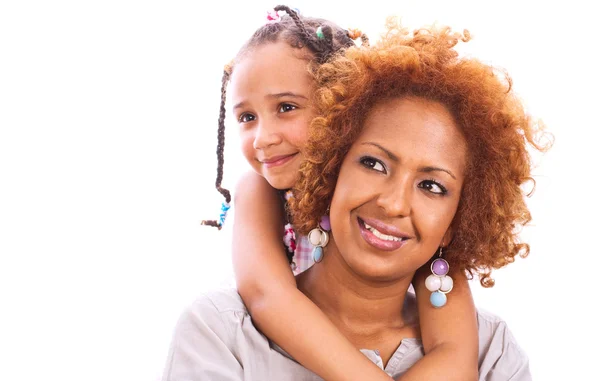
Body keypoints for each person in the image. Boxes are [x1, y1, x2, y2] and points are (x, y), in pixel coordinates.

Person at [162, 17, 549, 380]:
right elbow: (268, 295)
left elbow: (456, 353)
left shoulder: (492, 350)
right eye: (373, 163)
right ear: (333, 160)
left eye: (432, 186)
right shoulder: (221, 331)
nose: (264, 139)